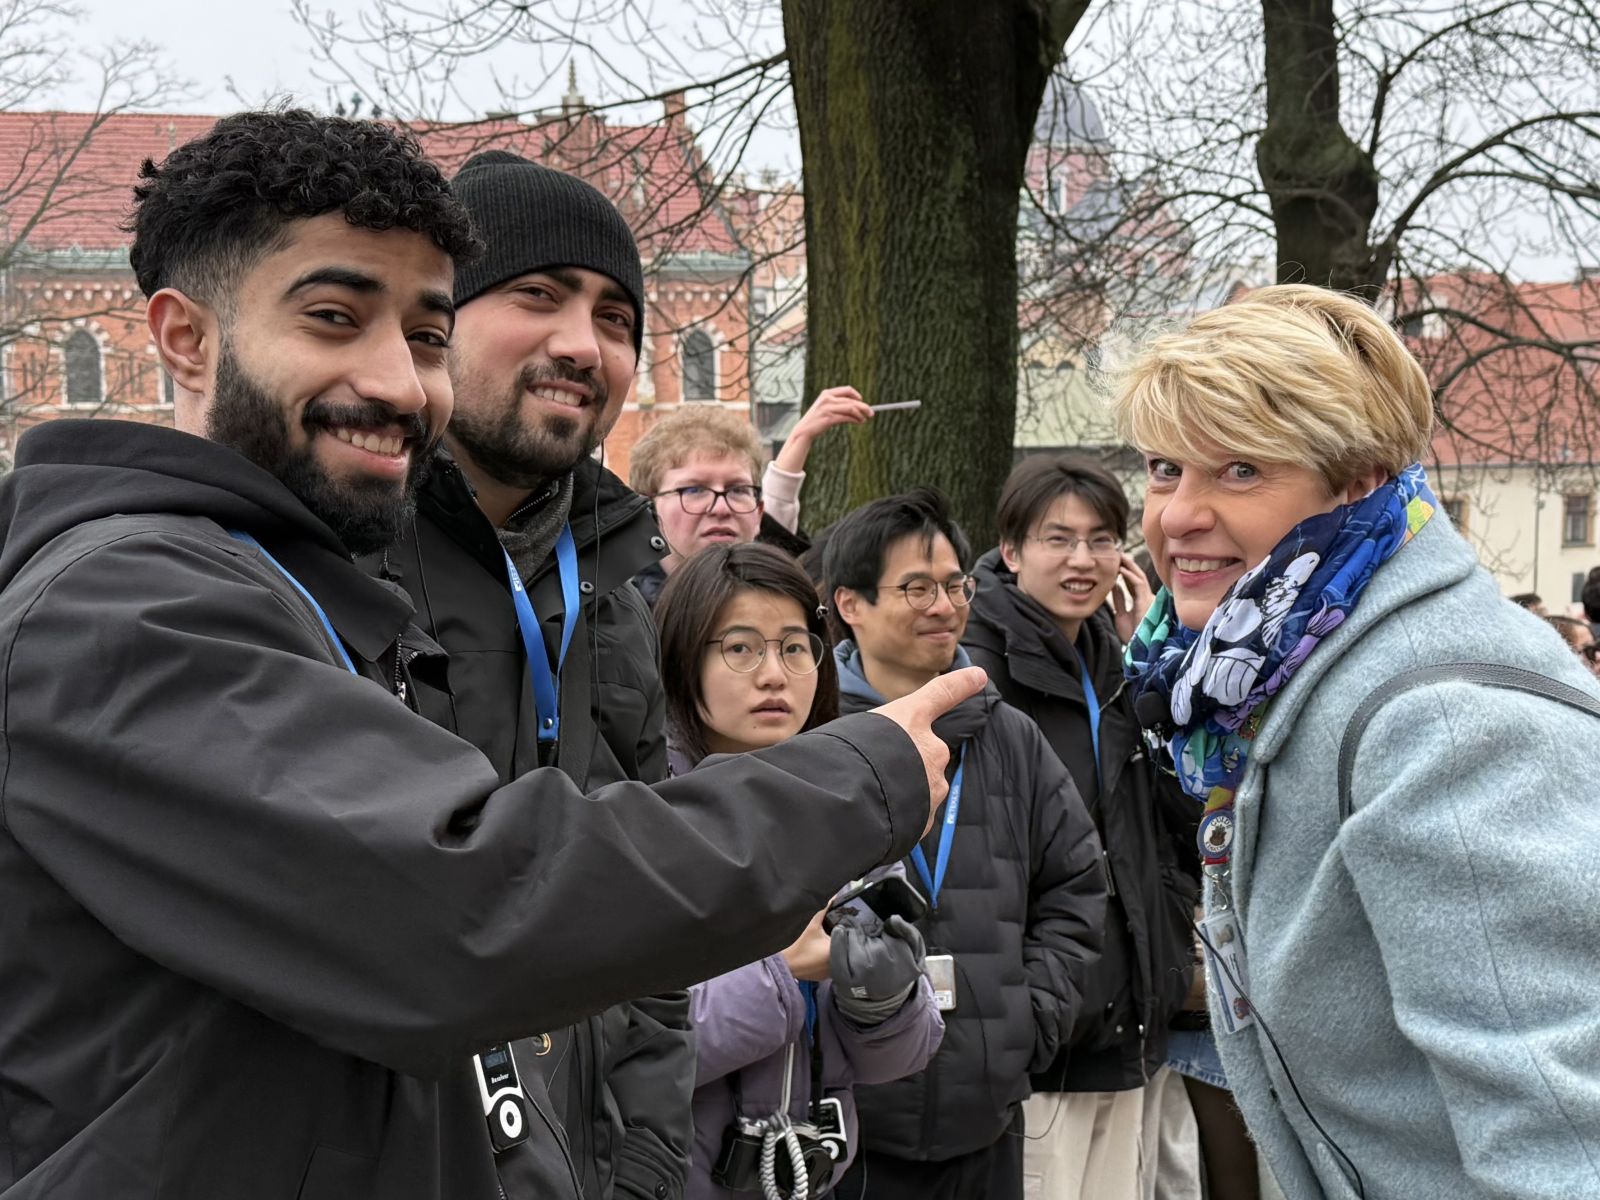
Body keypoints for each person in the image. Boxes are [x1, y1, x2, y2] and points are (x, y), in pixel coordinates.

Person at [0, 110, 979, 1199]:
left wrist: (630, 1169)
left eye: (423, 337)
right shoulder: (125, 605)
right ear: (184, 337)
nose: (397, 382)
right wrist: (856, 774)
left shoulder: (317, 580)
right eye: (333, 317)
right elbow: (466, 907)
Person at [1114, 283, 1600, 1199]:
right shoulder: (1274, 672)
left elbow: (1560, 1141)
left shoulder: (1445, 724)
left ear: (1360, 480)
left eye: (1240, 471)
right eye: (1164, 468)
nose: (1176, 515)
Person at [368, 150, 690, 1200]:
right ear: (435, 321)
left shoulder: (608, 581)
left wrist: (641, 1157)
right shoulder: (338, 563)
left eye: (615, 317)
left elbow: (654, 902)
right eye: (538, 296)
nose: (580, 345)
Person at [822, 488, 1108, 1200]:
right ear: (849, 604)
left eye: (956, 586)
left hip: (986, 1109)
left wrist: (1028, 1018)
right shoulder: (811, 738)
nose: (944, 606)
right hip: (847, 1118)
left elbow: (1077, 883)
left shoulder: (1005, 734)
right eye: (916, 588)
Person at [655, 542, 945, 1198]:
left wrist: (883, 999)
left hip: (807, 1172)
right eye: (740, 648)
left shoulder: (848, 804)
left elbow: (900, 1057)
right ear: (680, 658)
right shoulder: (639, 812)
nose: (773, 675)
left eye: (793, 647)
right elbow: (616, 1046)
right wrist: (780, 971)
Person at [962, 454, 1200, 1199]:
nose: (1082, 560)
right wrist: (1026, 1010)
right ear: (1011, 551)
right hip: (1044, 1036)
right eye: (1056, 539)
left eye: (1101, 540)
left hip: (1126, 1017)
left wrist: (1146, 667)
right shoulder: (978, 668)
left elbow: (1167, 823)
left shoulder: (1108, 659)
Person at [627, 386, 873, 603]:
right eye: (694, 490)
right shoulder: (616, 622)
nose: (721, 509)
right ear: (650, 510)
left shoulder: (786, 611)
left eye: (738, 490)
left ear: (758, 513)